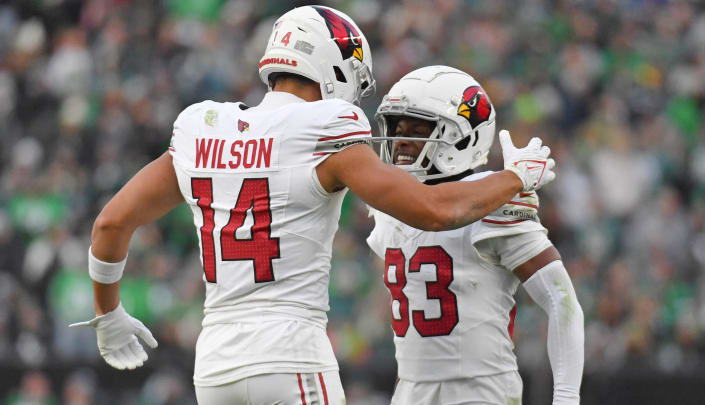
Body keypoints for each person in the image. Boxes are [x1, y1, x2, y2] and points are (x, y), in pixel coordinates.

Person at [70, 6, 556, 405]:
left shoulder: (202, 126)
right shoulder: (327, 124)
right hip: (290, 356)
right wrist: (516, 177)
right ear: (335, 66)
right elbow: (435, 211)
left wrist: (109, 316)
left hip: (214, 366)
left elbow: (112, 223)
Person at [367, 65, 584, 405]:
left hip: (479, 391)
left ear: (462, 136)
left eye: (419, 128)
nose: (402, 139)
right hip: (411, 391)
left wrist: (567, 397)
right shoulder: (392, 204)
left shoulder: (491, 198)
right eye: (398, 127)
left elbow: (561, 299)